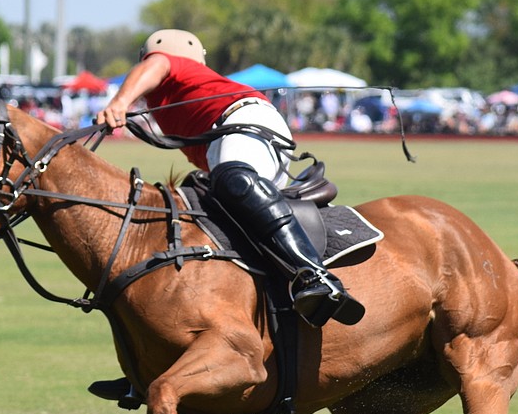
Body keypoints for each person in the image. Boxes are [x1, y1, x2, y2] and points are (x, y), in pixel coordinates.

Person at [98, 29, 363, 328]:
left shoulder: (172, 65)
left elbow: (156, 65)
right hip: (229, 143)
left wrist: (119, 103)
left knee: (232, 181)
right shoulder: (169, 93)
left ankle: (316, 276)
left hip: (243, 123)